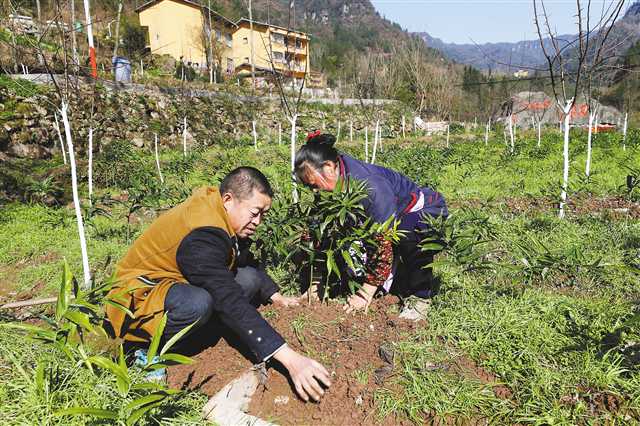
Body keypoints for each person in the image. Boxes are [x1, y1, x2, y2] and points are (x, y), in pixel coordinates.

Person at [105, 167, 331, 402]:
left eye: (263, 214)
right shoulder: (203, 234)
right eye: (255, 213)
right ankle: (144, 350)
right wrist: (291, 359)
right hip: (138, 297)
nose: (258, 222)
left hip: (175, 282)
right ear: (228, 200)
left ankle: (199, 329)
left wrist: (275, 295)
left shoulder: (218, 211)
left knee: (249, 279)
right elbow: (227, 297)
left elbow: (243, 260)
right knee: (198, 304)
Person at [294, 131, 448, 317]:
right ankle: (396, 278)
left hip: (423, 211)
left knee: (411, 231)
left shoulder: (370, 187)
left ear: (328, 167)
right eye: (309, 187)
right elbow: (317, 232)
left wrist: (364, 293)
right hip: (390, 218)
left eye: (313, 185)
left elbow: (383, 240)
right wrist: (316, 284)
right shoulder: (331, 183)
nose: (314, 191)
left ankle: (420, 296)